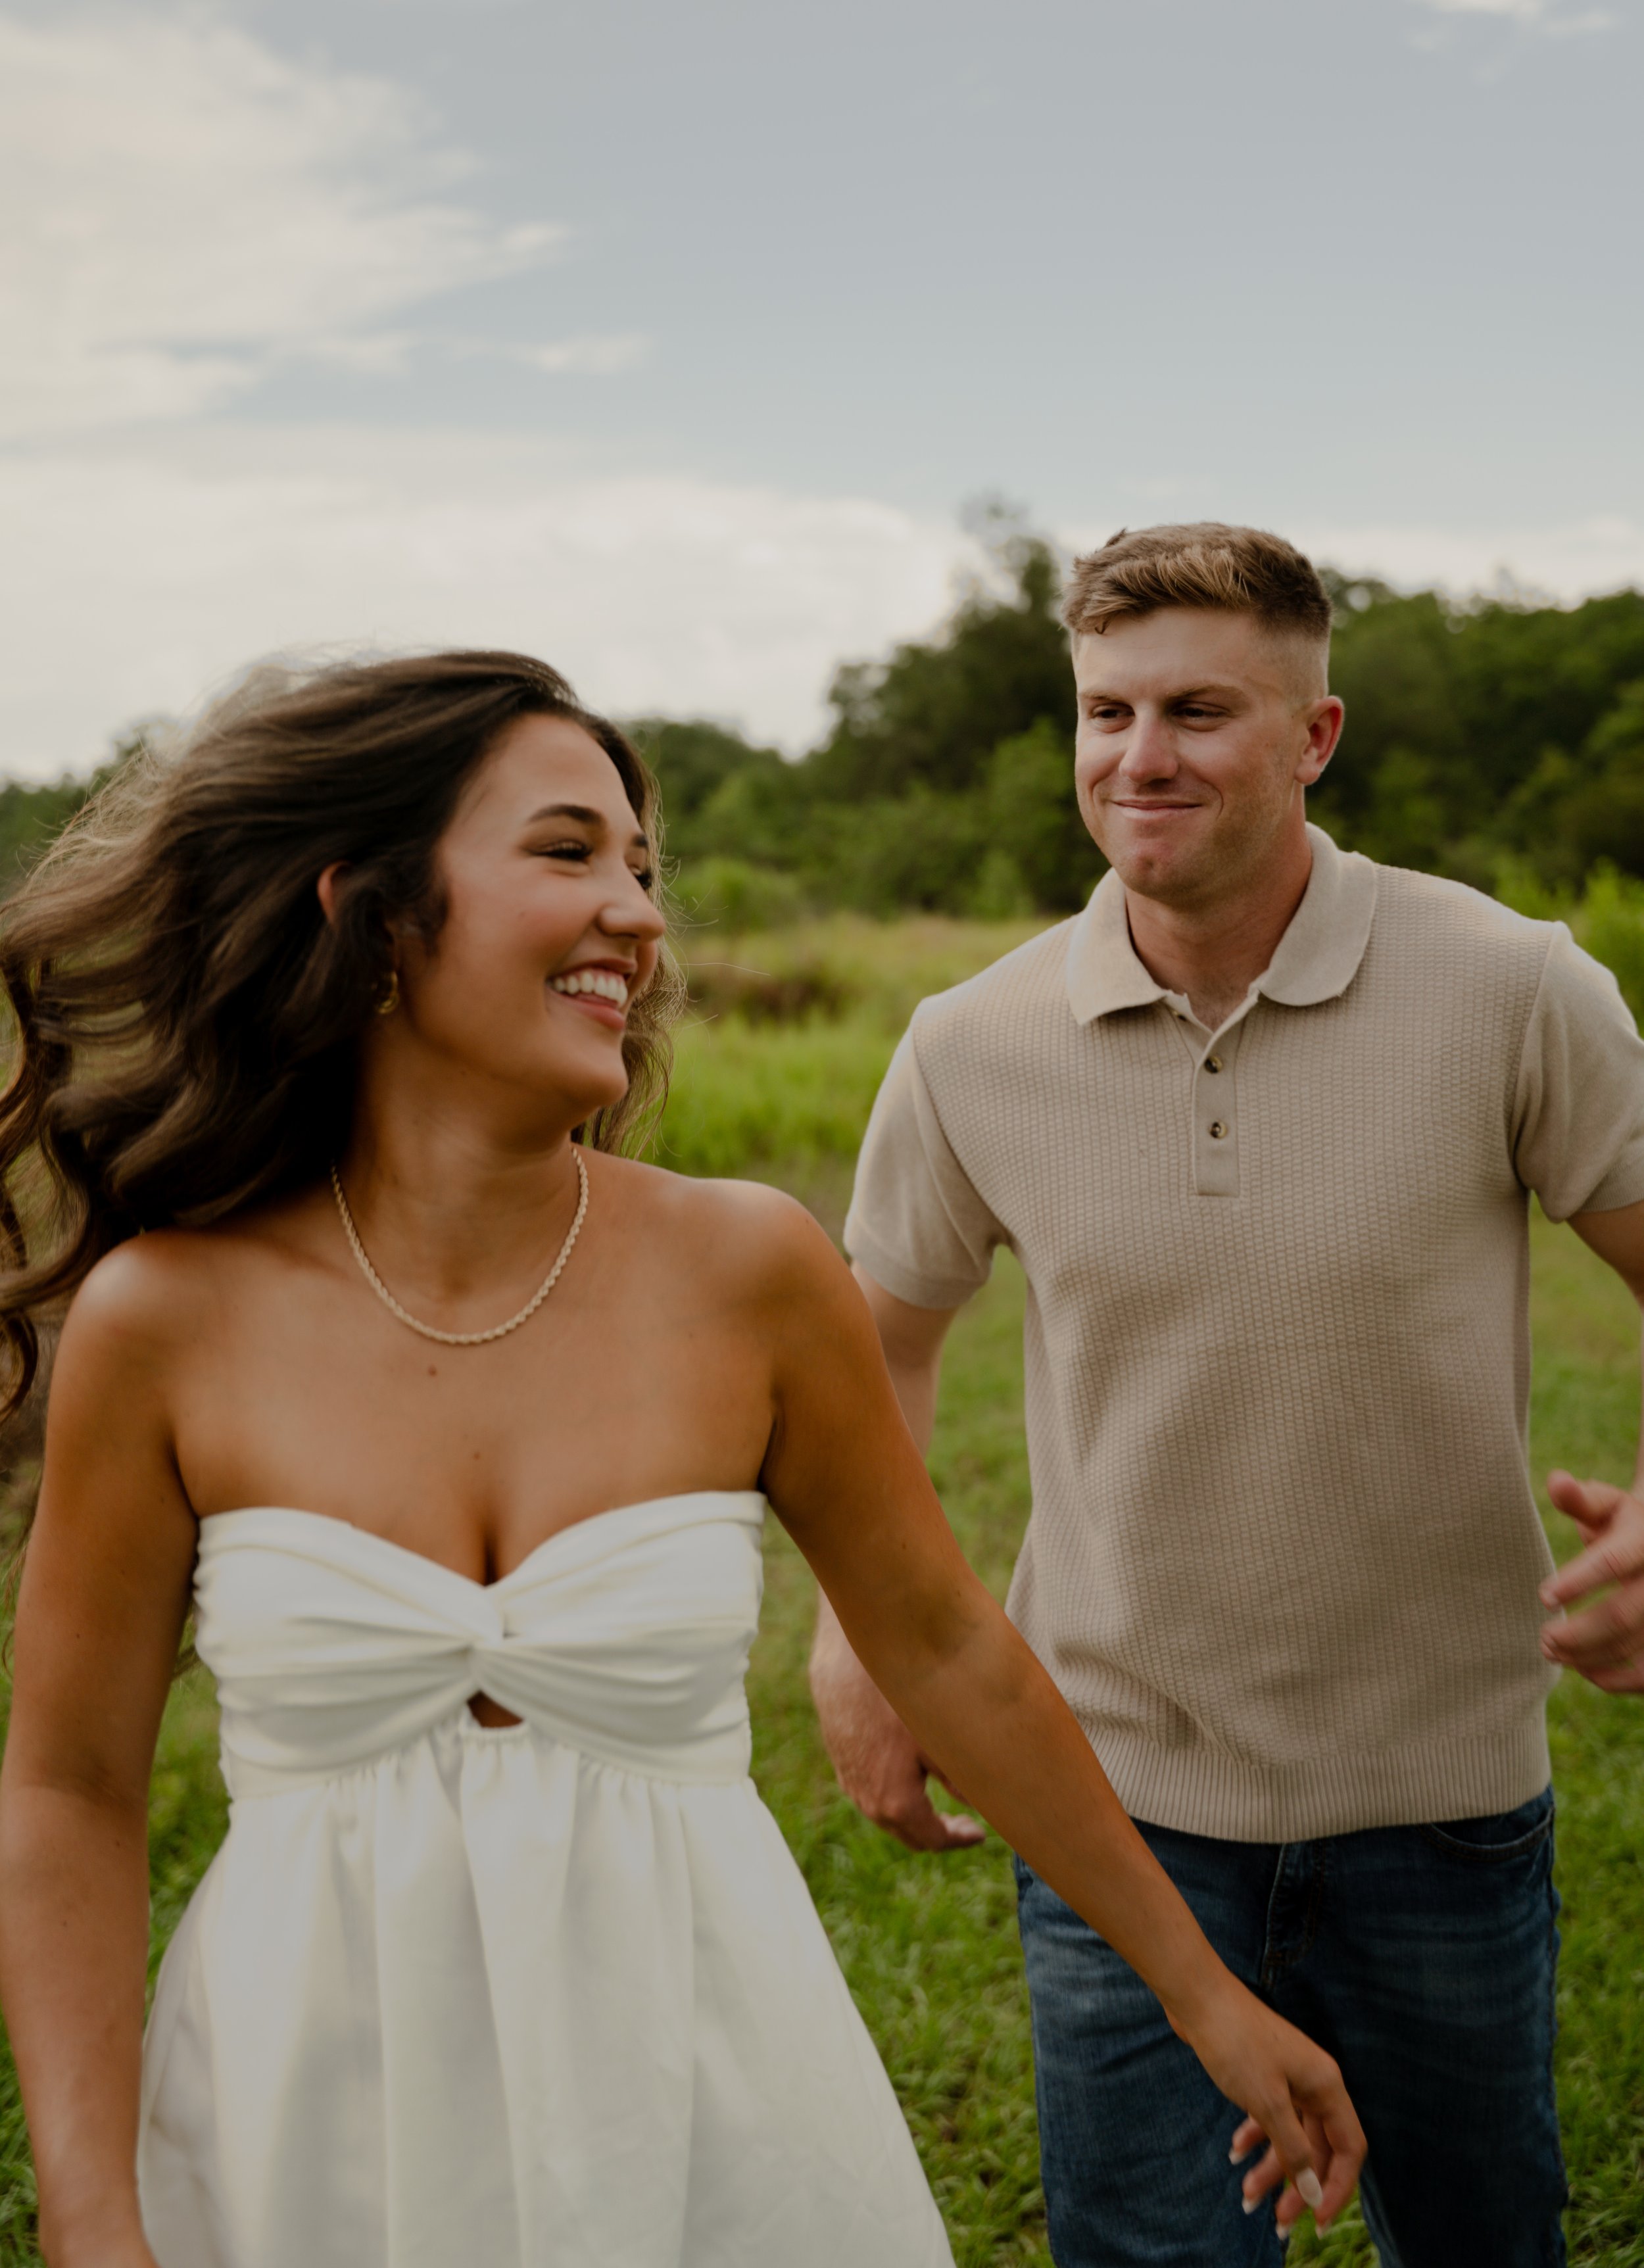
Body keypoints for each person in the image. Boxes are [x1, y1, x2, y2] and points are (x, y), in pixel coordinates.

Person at [0, 650, 1363, 2268]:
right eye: (570, 852)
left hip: (704, 2092)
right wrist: (91, 2208)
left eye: (645, 870)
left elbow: (944, 1651)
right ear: (366, 910)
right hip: (308, 2111)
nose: (641, 918)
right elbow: (70, 1791)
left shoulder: (748, 1270)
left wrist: (1205, 1996)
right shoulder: (170, 1319)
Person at [813, 522, 1644, 2268]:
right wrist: (858, 1633)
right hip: (1113, 1803)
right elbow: (876, 1348)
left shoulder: (1511, 987)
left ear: (1313, 737)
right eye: (1104, 711)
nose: (1138, 756)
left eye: (1195, 709)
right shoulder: (967, 1044)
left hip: (1441, 1791)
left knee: (1486, 2240)